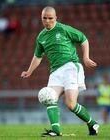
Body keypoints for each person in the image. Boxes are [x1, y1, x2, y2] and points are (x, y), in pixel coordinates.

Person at [21, 6, 99, 137]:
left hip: (71, 67)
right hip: (55, 72)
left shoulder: (63, 29)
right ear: (41, 18)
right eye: (44, 18)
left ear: (56, 18)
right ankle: (55, 131)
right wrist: (29, 71)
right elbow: (38, 56)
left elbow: (83, 39)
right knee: (49, 98)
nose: (47, 21)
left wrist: (86, 57)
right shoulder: (41, 37)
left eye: (50, 18)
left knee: (70, 104)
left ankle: (92, 124)